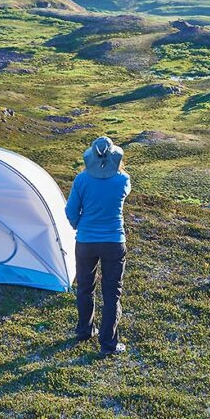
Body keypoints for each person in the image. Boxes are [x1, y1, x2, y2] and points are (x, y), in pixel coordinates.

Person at [65, 136, 131, 356]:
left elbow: (71, 212)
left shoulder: (81, 180)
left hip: (85, 242)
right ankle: (108, 344)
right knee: (112, 293)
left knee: (85, 287)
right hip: (114, 241)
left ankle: (84, 330)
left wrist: (81, 226)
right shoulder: (123, 180)